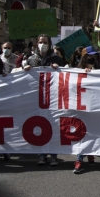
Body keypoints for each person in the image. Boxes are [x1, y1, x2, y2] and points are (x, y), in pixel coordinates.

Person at [24, 34, 63, 166]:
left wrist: (60, 69)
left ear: (50, 43)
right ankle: (41, 155)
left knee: (53, 125)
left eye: (45, 42)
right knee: (39, 126)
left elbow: (67, 74)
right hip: (37, 98)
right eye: (40, 42)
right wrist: (25, 70)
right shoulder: (31, 59)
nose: (42, 44)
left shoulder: (57, 58)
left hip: (52, 98)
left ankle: (53, 155)